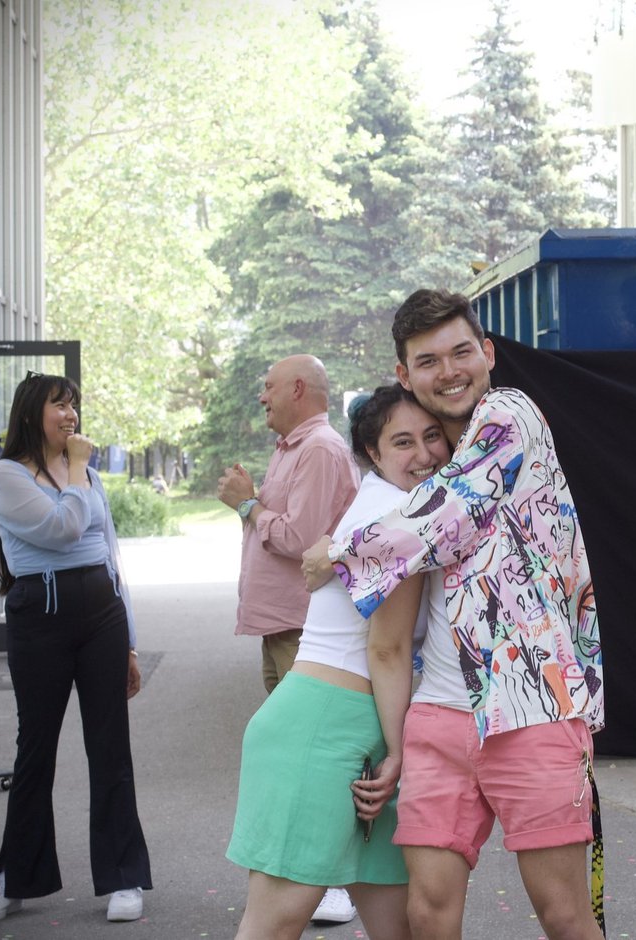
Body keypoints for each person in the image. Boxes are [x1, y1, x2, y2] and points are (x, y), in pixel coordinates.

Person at [303, 289, 605, 940]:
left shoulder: (511, 415)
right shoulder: (428, 465)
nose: (450, 370)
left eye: (462, 351)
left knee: (563, 916)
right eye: (429, 360)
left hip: (533, 707)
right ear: (404, 375)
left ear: (488, 353)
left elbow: (453, 510)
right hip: (438, 716)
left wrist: (340, 550)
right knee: (428, 915)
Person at [228, 386, 452, 940]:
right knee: (273, 926)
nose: (423, 454)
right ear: (372, 454)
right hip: (322, 728)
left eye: (432, 437)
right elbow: (386, 647)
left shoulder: (401, 506)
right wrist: (402, 750)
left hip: (361, 729)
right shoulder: (397, 516)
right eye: (403, 442)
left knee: (400, 926)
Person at [0, 372, 151, 924]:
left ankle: (123, 878)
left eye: (74, 405)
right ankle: (16, 877)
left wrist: (129, 643)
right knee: (36, 751)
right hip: (40, 618)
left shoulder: (88, 476)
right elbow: (63, 530)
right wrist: (77, 468)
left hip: (101, 616)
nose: (71, 415)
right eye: (60, 405)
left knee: (110, 746)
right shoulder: (5, 476)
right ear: (33, 413)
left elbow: (109, 555)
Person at [216, 353, 362, 925]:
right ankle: (297, 874)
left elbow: (303, 539)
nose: (262, 397)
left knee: (307, 758)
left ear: (299, 388)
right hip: (282, 625)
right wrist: (253, 502)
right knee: (286, 755)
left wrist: (247, 504)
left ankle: (325, 880)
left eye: (269, 387)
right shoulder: (295, 450)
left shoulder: (320, 449)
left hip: (305, 629)